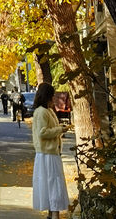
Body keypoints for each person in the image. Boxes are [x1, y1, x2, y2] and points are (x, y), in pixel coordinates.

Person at [31, 82, 69, 219]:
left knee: (51, 183)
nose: (54, 98)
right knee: (54, 184)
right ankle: (54, 215)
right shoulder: (42, 112)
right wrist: (60, 130)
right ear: (47, 96)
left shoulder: (48, 111)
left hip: (50, 153)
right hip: (47, 154)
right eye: (52, 96)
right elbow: (43, 133)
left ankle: (51, 214)